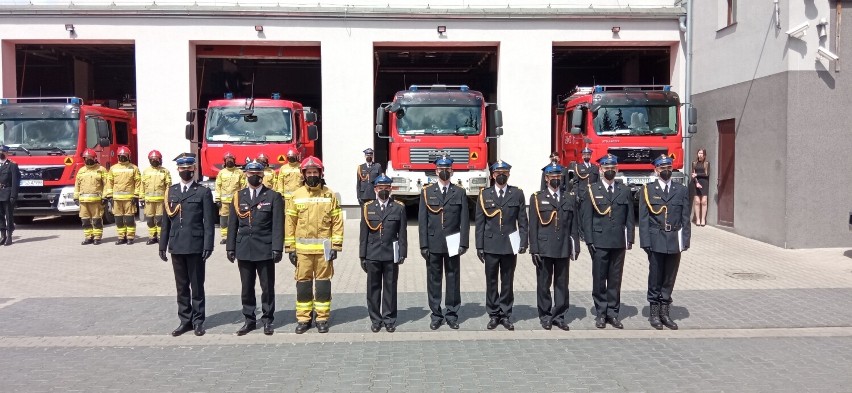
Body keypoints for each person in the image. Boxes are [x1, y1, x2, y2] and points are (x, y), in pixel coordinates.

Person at [159, 153, 216, 337]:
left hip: (196, 245)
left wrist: (209, 245)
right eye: (182, 169)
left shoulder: (203, 192)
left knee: (197, 285)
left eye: (189, 168)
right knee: (181, 286)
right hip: (177, 245)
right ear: (178, 170)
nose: (186, 171)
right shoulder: (171, 192)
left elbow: (209, 221)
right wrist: (162, 245)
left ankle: (198, 321)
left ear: (194, 169)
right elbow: (166, 222)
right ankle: (185, 320)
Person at [285, 156, 344, 334]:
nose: (312, 175)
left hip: (324, 252)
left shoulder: (329, 195)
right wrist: (290, 249)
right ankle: (304, 319)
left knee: (323, 284)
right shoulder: (296, 196)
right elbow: (290, 223)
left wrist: (336, 246)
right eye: (309, 172)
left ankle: (322, 318)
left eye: (314, 172)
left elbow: (337, 222)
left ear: (320, 173)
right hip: (302, 252)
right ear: (303, 174)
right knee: (303, 285)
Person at [227, 161, 284, 336]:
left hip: (265, 248)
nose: (254, 176)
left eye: (257, 173)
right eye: (251, 173)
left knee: (267, 287)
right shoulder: (238, 196)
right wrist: (230, 247)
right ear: (245, 174)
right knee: (247, 287)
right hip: (244, 248)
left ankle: (267, 320)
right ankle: (249, 320)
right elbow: (232, 225)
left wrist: (277, 248)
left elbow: (278, 225)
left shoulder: (273, 196)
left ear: (262, 175)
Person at [582, 154, 634, 329]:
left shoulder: (624, 190)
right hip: (599, 241)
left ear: (617, 169)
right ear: (600, 169)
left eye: (613, 168)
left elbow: (629, 218)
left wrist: (630, 239)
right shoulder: (592, 190)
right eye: (606, 168)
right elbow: (587, 218)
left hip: (618, 241)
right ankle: (601, 313)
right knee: (599, 279)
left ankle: (613, 313)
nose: (609, 171)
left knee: (615, 279)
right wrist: (589, 240)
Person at [639, 155, 691, 330]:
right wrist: (645, 242)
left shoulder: (681, 190)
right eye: (662, 168)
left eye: (668, 167)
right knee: (655, 276)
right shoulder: (648, 190)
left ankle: (665, 312)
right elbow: (644, 219)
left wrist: (685, 240)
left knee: (669, 277)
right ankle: (654, 313)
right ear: (656, 170)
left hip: (674, 239)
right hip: (655, 239)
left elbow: (685, 218)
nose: (666, 170)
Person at [475, 160, 528, 331]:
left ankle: (505, 314)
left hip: (509, 244)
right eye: (498, 173)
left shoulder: (517, 194)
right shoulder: (485, 194)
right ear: (492, 175)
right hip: (490, 244)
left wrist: (523, 241)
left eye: (504, 172)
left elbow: (522, 221)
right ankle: (493, 314)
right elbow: (480, 223)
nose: (501, 175)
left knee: (507, 281)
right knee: (491, 281)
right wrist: (479, 246)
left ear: (509, 174)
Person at [419, 156, 469, 330]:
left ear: (452, 171)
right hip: (433, 242)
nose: (444, 171)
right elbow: (422, 221)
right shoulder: (427, 192)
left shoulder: (460, 192)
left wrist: (464, 243)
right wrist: (423, 245)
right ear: (436, 171)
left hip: (453, 242)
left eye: (447, 168)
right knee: (434, 280)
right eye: (441, 169)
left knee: (453, 278)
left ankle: (452, 313)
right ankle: (436, 314)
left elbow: (464, 220)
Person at [529, 163, 580, 331]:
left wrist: (576, 245)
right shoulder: (537, 198)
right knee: (544, 283)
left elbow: (574, 224)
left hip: (563, 246)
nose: (556, 179)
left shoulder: (568, 197)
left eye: (558, 177)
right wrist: (534, 249)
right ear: (546, 178)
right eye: (552, 177)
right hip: (544, 247)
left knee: (562, 284)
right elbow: (533, 226)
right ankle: (545, 315)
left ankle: (559, 315)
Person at [358, 174, 407, 333]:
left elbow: (402, 233)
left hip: (390, 254)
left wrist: (402, 253)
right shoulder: (368, 208)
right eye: (380, 188)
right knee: (373, 289)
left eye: (386, 188)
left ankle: (389, 319)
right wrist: (362, 256)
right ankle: (375, 319)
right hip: (372, 254)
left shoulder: (399, 207)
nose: (383, 191)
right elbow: (363, 234)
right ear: (375, 189)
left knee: (390, 287)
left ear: (391, 189)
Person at [105, 146, 141, 245]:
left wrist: (136, 196)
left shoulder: (134, 168)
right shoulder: (113, 168)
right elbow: (109, 183)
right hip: (116, 200)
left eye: (124, 156)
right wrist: (110, 196)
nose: (122, 157)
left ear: (129, 156)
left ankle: (130, 237)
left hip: (129, 199)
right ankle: (121, 237)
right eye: (121, 156)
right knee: (118, 220)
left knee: (129, 220)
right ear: (117, 156)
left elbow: (138, 183)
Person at [74, 149, 108, 245]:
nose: (88, 160)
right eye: (86, 158)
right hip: (83, 201)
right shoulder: (81, 171)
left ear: (94, 158)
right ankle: (88, 237)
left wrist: (105, 197)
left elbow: (106, 184)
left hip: (96, 201)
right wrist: (76, 197)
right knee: (85, 220)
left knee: (97, 220)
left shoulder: (101, 170)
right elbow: (77, 185)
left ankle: (97, 237)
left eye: (90, 158)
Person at [140, 150, 171, 245]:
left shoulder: (165, 171)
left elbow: (168, 186)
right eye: (152, 159)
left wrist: (168, 198)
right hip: (149, 201)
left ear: (160, 159)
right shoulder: (146, 171)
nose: (154, 161)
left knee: (160, 220)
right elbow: (142, 186)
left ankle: (160, 237)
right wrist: (141, 198)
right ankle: (152, 237)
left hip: (160, 201)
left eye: (156, 159)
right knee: (150, 220)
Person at [215, 151, 246, 244]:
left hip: (236, 201)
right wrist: (217, 199)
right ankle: (225, 237)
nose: (229, 161)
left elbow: (243, 186)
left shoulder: (239, 172)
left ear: (234, 160)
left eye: (231, 159)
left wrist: (242, 198)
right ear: (224, 161)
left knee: (237, 218)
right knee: (224, 219)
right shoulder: (221, 173)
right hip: (224, 202)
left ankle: (236, 235)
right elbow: (218, 186)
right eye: (227, 159)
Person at [0, 145, 20, 246]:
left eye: (3, 152)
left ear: (7, 153)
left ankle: (9, 236)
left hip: (7, 194)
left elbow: (15, 182)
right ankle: (2, 236)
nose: (1, 153)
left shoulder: (12, 165)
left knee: (8, 216)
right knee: (0, 216)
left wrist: (13, 195)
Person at [691, 148, 710, 227]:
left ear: (704, 155)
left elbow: (707, 174)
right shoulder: (694, 163)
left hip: (704, 183)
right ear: (697, 154)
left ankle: (703, 219)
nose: (700, 155)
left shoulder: (707, 163)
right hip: (696, 183)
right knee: (697, 202)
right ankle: (697, 219)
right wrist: (696, 182)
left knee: (704, 202)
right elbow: (693, 174)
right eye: (699, 153)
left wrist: (697, 175)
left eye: (702, 153)